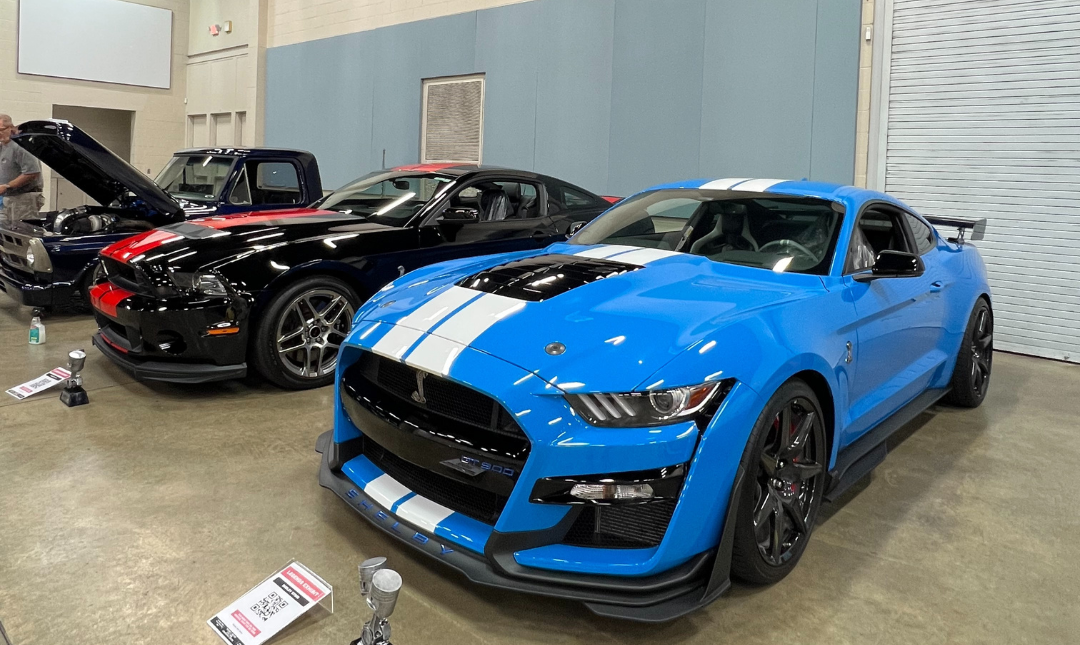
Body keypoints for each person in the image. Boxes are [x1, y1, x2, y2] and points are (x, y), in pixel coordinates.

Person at [0, 114, 44, 229]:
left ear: (11, 128)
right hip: (8, 199)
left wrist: (7, 186)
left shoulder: (21, 146)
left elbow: (32, 172)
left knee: (22, 232)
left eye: (1, 130)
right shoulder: (3, 147)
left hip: (24, 199)